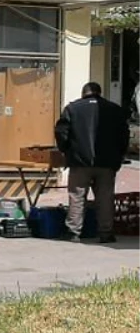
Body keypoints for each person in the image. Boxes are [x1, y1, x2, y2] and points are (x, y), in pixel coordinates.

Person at [54, 82, 129, 244]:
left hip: (80, 162)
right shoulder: (115, 110)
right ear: (99, 93)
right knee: (105, 197)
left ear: (83, 93)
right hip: (107, 163)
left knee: (77, 196)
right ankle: (106, 232)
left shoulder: (72, 109)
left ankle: (74, 232)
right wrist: (119, 155)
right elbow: (124, 135)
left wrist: (67, 151)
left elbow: (61, 132)